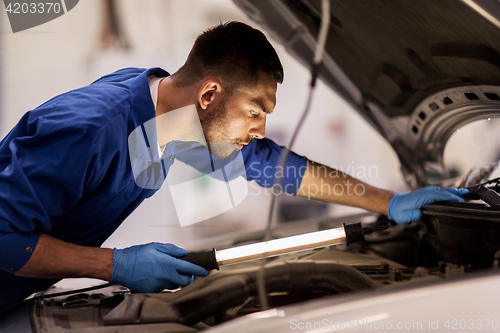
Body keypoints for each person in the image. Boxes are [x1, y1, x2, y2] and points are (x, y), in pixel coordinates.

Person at [0, 21, 467, 309]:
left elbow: (272, 165)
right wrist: (113, 265)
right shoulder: (91, 128)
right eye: (256, 111)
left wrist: (391, 201)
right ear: (209, 94)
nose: (261, 128)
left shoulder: (172, 114)